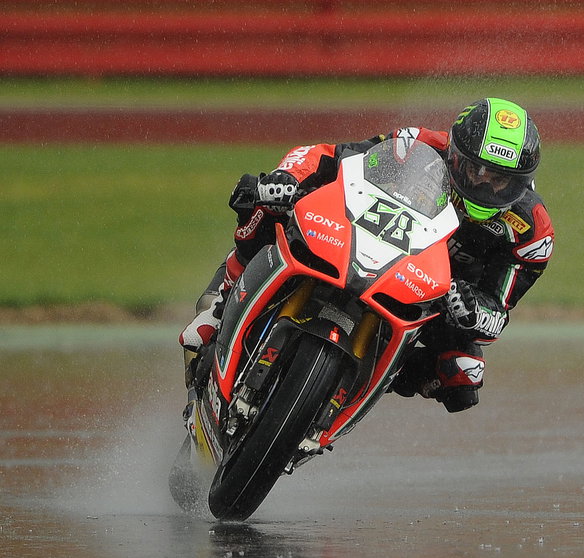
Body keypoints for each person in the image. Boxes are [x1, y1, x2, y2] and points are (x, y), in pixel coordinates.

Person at [180, 97, 554, 413]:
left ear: (519, 184)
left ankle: (348, 389)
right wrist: (287, 179)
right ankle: (219, 300)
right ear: (456, 154)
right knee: (266, 203)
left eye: (498, 179)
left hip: (435, 296)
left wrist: (473, 308)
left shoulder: (530, 232)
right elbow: (334, 158)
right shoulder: (414, 145)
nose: (482, 182)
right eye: (475, 169)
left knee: (464, 374)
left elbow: (498, 312)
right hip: (365, 240)